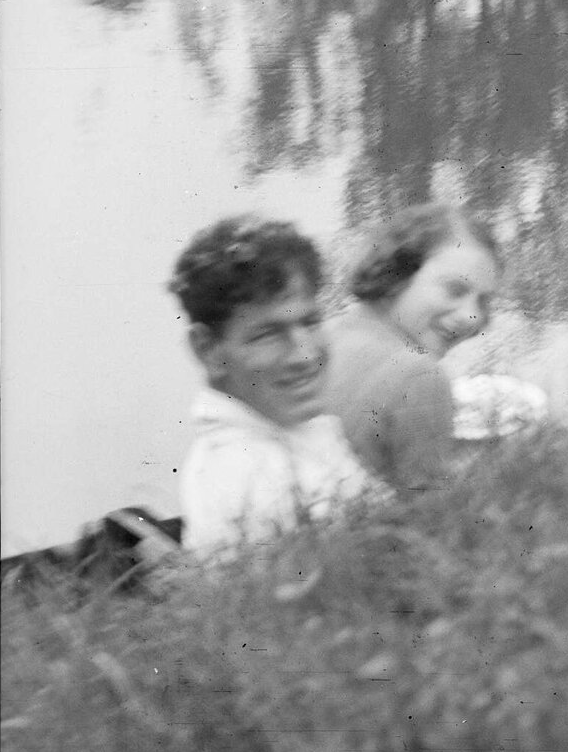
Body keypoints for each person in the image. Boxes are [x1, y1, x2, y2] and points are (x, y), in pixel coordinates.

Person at [170, 216, 380, 556]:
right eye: (267, 334)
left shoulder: (290, 423)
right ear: (208, 349)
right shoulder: (247, 477)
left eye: (310, 322)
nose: (305, 354)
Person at [322, 203, 503, 495]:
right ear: (397, 276)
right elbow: (429, 513)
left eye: (483, 301)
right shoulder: (420, 377)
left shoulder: (328, 334)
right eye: (454, 290)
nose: (472, 316)